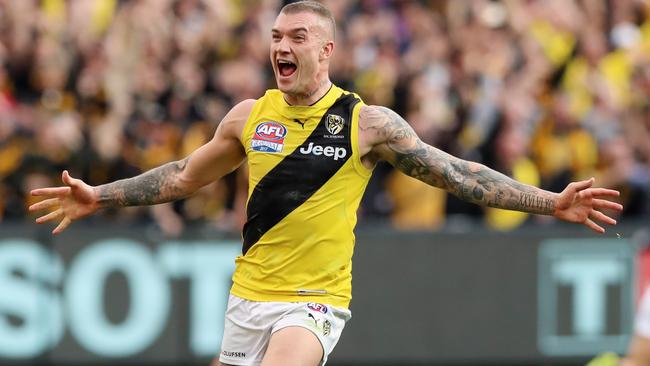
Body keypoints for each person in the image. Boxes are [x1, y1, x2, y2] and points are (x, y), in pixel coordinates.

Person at [29, 2, 623, 365]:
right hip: (248, 297)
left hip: (313, 305)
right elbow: (184, 176)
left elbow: (456, 173)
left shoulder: (366, 124)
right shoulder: (247, 116)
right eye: (275, 38)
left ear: (327, 50)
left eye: (297, 39)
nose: (281, 48)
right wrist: (99, 196)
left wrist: (549, 201)